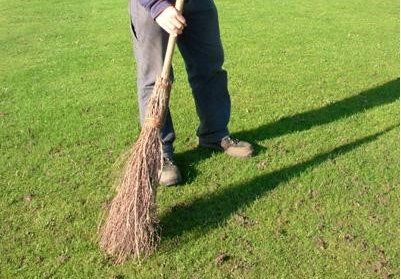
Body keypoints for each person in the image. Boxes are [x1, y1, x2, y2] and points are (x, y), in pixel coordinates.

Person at [129, 0, 254, 186]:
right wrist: (157, 6)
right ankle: (160, 153)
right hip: (153, 7)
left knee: (210, 68)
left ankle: (215, 134)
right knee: (154, 79)